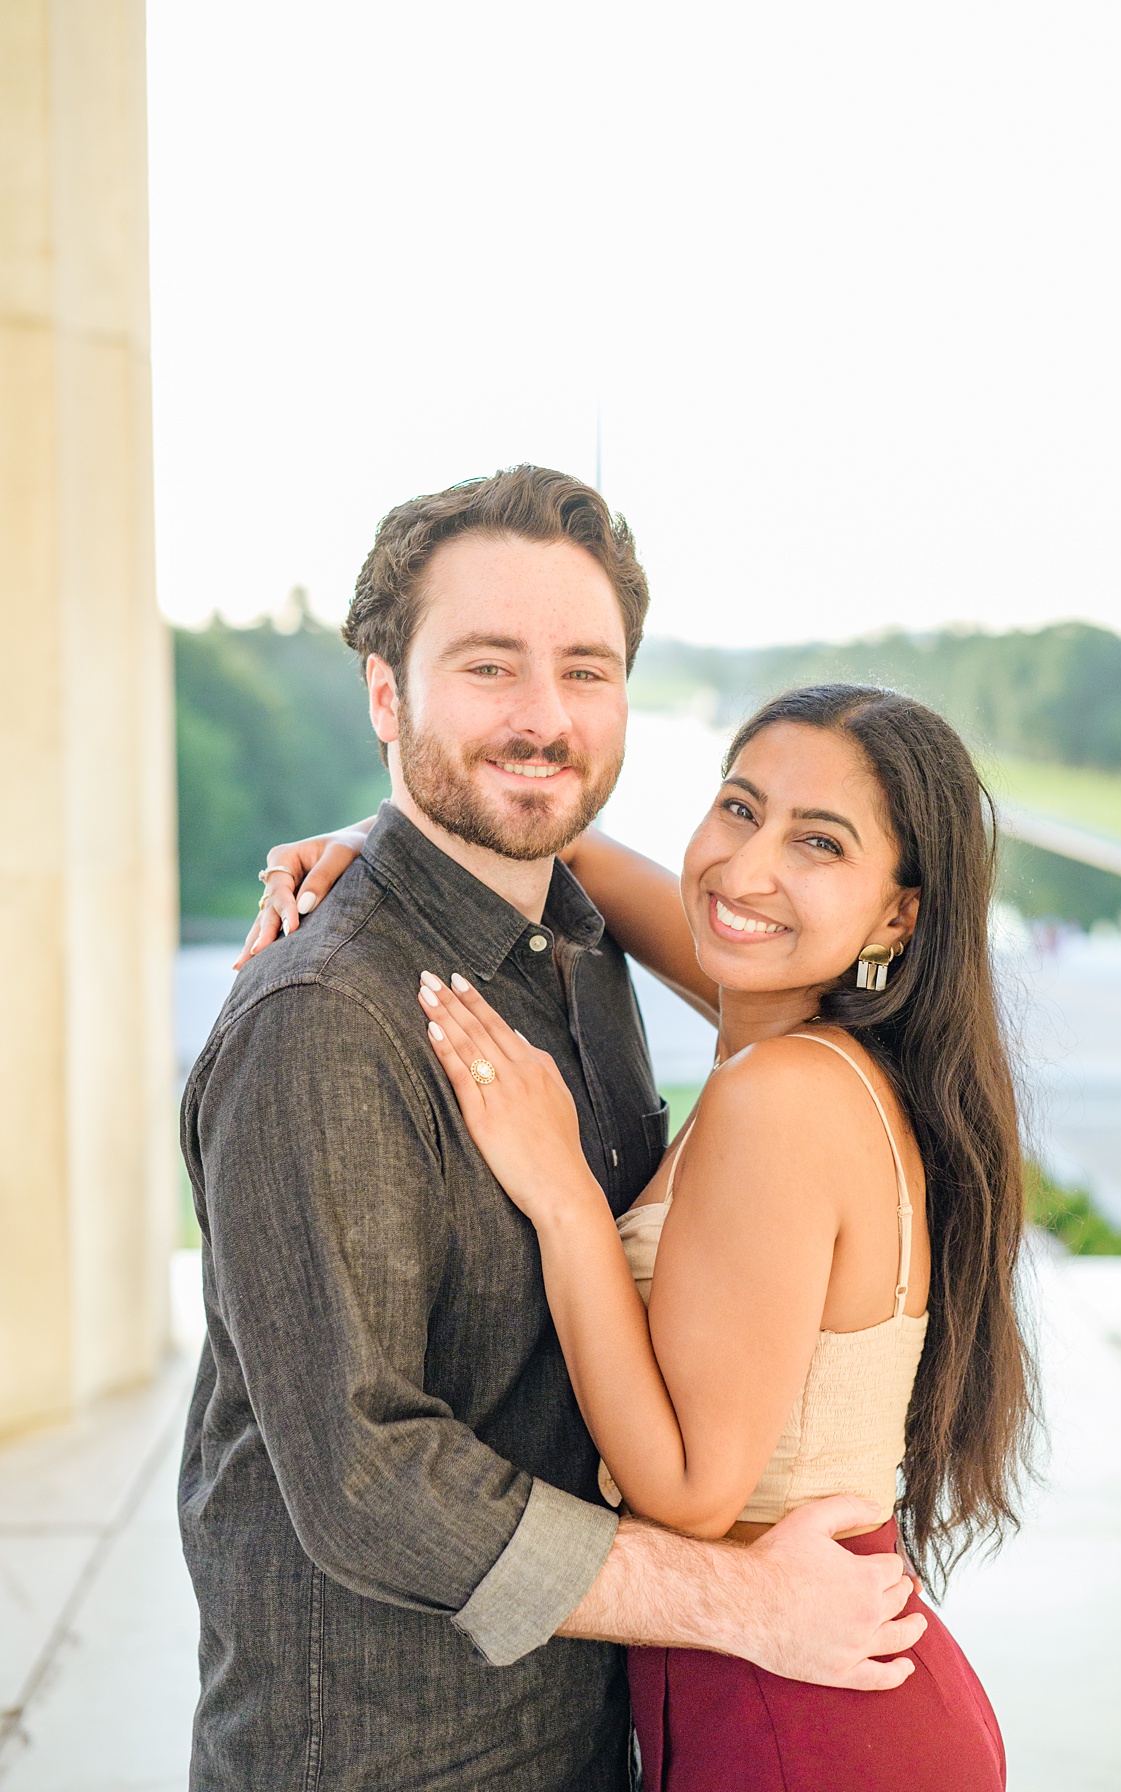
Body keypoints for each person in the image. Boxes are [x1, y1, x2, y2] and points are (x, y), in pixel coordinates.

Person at [182, 467, 944, 1789]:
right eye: (488, 667)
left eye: (585, 671)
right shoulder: (324, 1021)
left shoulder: (583, 960)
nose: (544, 719)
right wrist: (740, 1605)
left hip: (612, 1733)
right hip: (403, 1758)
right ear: (386, 694)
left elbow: (551, 841)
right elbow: (369, 1482)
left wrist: (402, 828)